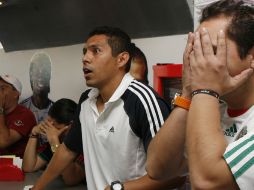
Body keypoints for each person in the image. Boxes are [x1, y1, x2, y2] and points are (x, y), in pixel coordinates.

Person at [31, 26, 186, 190]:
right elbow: (68, 150)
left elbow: (175, 176)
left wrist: (119, 188)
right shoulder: (86, 100)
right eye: (84, 52)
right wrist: (37, 188)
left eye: (95, 51)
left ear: (121, 59)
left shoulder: (142, 101)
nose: (85, 58)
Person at [147, 0, 254, 189]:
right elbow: (157, 168)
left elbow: (206, 183)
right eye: (195, 51)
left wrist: (205, 89)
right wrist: (188, 93)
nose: (198, 63)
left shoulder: (208, 98)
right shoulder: (211, 106)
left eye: (211, 51)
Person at [22, 98, 85, 186]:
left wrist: (54, 142)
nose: (51, 130)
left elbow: (71, 179)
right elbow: (28, 167)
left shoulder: (84, 142)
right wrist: (34, 134)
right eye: (48, 125)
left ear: (71, 125)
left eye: (56, 128)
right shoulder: (58, 139)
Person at [21, 52, 54, 145]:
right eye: (36, 69)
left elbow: (58, 148)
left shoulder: (56, 110)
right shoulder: (22, 109)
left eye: (45, 70)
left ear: (50, 75)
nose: (40, 73)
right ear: (30, 75)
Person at [0, 74, 36, 158]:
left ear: (16, 94)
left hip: (17, 165)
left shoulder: (25, 115)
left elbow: (3, 142)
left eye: (2, 88)